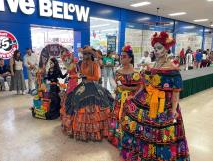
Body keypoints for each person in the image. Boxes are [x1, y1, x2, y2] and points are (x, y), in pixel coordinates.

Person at [118, 32, 190, 160]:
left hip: (164, 106)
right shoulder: (150, 66)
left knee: (162, 134)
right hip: (147, 102)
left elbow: (175, 93)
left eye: (159, 48)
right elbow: (143, 86)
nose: (156, 51)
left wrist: (173, 110)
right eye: (155, 48)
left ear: (167, 48)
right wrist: (134, 97)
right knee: (144, 131)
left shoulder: (172, 69)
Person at [60, 47, 114, 141]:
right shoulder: (82, 64)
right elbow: (80, 74)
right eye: (84, 54)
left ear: (91, 55)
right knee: (73, 97)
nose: (85, 56)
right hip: (83, 85)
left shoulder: (95, 64)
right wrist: (79, 76)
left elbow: (96, 77)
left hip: (93, 86)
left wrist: (86, 76)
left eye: (87, 54)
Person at [108, 45, 144, 148]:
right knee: (117, 115)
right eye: (121, 56)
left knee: (128, 118)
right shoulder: (118, 71)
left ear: (130, 58)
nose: (121, 58)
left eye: (124, 56)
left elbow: (140, 87)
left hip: (131, 99)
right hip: (119, 98)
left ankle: (128, 139)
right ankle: (116, 137)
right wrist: (116, 88)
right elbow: (115, 84)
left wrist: (127, 88)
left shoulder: (136, 72)